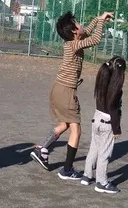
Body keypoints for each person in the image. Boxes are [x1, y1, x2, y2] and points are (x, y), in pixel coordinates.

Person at [30, 10, 114, 180]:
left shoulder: (73, 42)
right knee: (76, 129)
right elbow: (95, 39)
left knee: (65, 124)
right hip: (66, 91)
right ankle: (67, 169)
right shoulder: (74, 45)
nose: (81, 24)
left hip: (58, 89)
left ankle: (42, 149)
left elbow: (87, 33)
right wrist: (99, 23)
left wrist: (98, 19)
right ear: (74, 31)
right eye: (77, 23)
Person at [81, 56, 126, 194]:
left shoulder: (102, 82)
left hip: (96, 118)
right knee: (104, 153)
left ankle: (87, 175)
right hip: (107, 122)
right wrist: (116, 129)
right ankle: (102, 182)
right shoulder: (115, 90)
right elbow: (113, 110)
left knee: (94, 148)